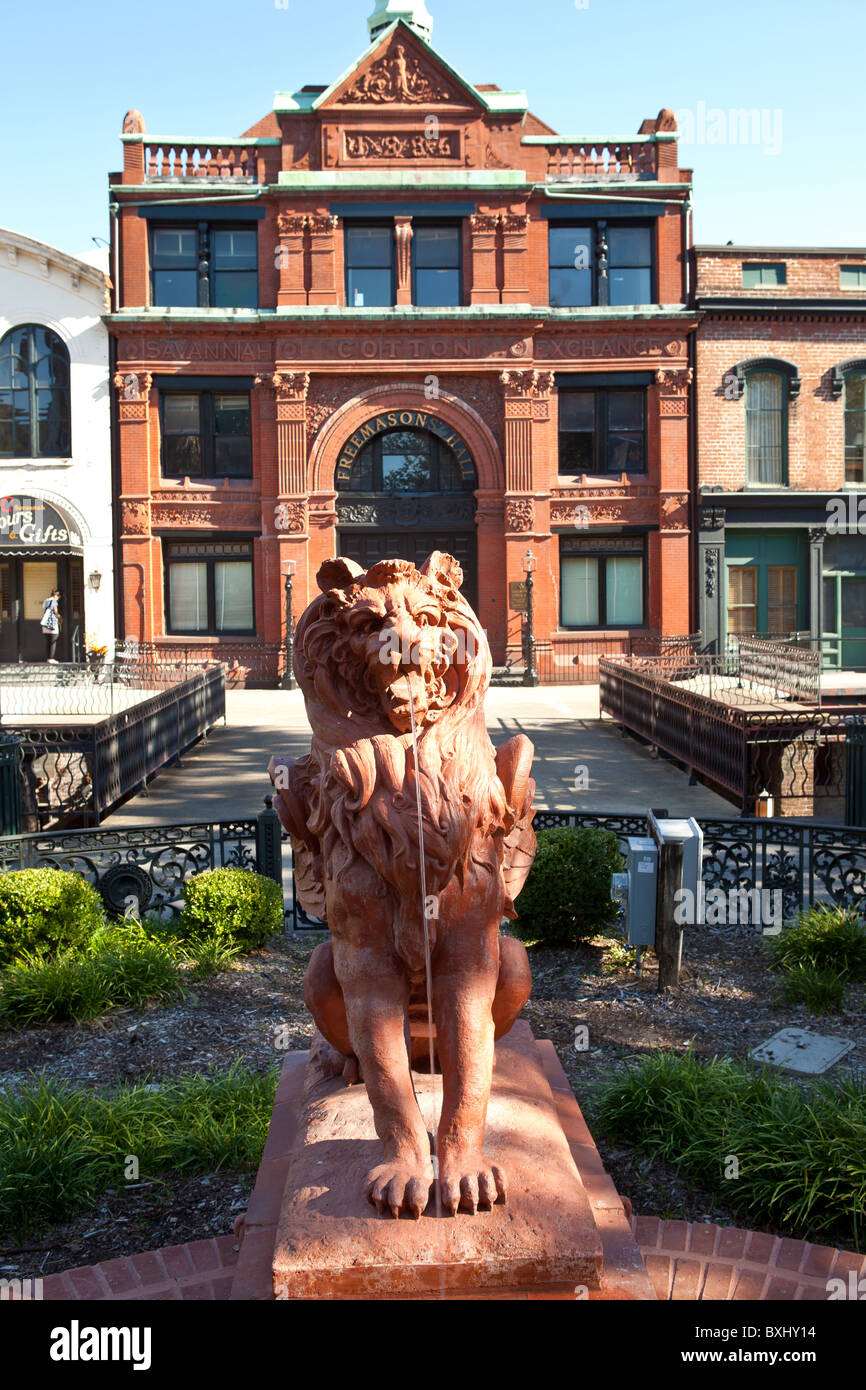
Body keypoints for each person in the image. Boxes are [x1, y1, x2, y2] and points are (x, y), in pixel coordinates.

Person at [40, 588, 61, 662]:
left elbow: (44, 609)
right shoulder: (54, 601)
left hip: (45, 624)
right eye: (58, 597)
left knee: (48, 641)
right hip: (52, 624)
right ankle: (51, 658)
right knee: (53, 641)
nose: (58, 599)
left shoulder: (46, 601)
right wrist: (60, 618)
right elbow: (55, 612)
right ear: (56, 595)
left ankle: (48, 658)